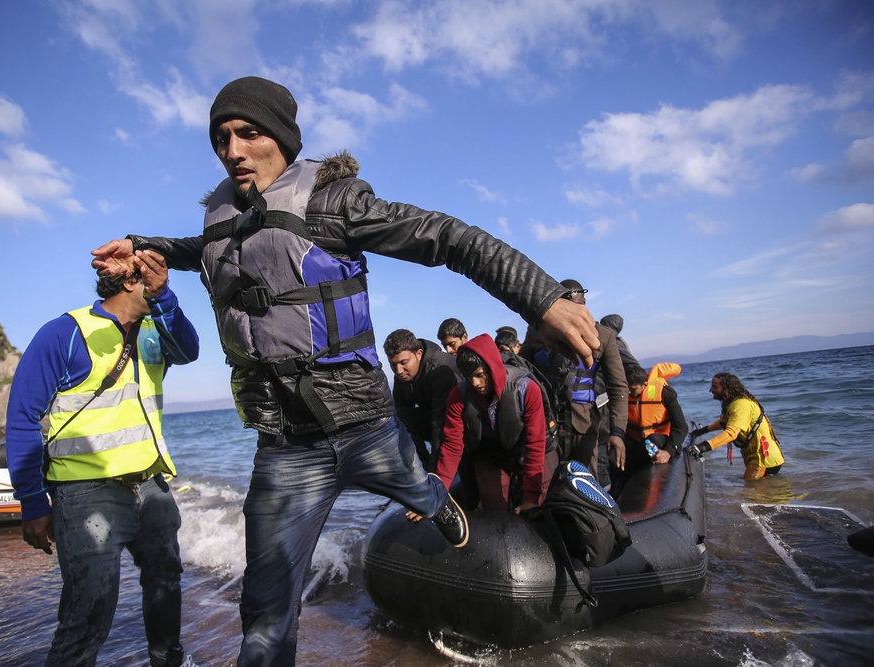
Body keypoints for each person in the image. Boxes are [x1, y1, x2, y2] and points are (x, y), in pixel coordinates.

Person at [91, 76, 600, 667]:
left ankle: (439, 503)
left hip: (366, 427)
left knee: (421, 487)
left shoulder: (334, 202)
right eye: (221, 138)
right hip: (286, 449)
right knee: (263, 613)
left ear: (280, 138)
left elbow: (447, 236)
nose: (232, 150)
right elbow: (195, 248)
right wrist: (140, 244)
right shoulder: (221, 216)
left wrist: (540, 297)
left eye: (248, 134)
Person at [5, 251, 200, 667]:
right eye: (152, 273)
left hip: (151, 485)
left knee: (166, 583)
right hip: (85, 493)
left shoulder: (156, 327)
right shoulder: (65, 332)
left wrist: (164, 295)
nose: (162, 281)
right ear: (130, 280)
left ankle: (170, 662)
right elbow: (22, 418)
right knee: (90, 606)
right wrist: (33, 502)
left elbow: (189, 351)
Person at [520, 279, 628, 488]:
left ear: (584, 304)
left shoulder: (603, 336)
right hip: (545, 423)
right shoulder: (536, 332)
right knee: (546, 486)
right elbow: (522, 372)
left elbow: (618, 386)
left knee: (588, 486)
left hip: (584, 425)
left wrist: (618, 431)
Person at [435, 334, 550, 512]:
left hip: (524, 448)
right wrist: (437, 494)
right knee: (494, 511)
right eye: (469, 376)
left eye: (480, 375)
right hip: (489, 453)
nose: (476, 383)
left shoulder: (526, 389)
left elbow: (535, 442)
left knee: (541, 504)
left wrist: (531, 497)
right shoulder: (458, 396)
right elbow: (452, 445)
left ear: (492, 368)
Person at [383, 328, 462, 470]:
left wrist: (436, 470)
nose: (399, 370)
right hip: (434, 420)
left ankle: (432, 471)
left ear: (419, 354)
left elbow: (441, 423)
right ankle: (420, 469)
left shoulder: (440, 370)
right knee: (399, 418)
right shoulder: (402, 375)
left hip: (461, 426)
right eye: (393, 364)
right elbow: (401, 416)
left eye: (403, 362)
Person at [686, 372, 785, 480]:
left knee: (751, 493)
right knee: (759, 491)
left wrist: (701, 447)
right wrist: (703, 430)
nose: (710, 390)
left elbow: (731, 433)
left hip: (764, 460)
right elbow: (725, 421)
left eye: (714, 387)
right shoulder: (734, 402)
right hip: (760, 459)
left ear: (727, 388)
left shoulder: (741, 405)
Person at [611, 362, 688, 496]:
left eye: (633, 389)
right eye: (627, 389)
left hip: (657, 438)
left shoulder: (664, 393)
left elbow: (681, 427)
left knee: (651, 441)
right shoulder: (624, 394)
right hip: (633, 439)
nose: (629, 392)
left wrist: (669, 451)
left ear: (645, 385)